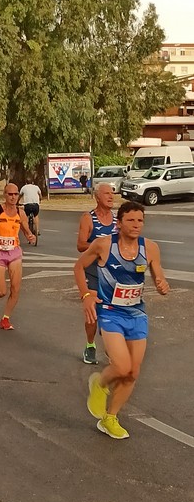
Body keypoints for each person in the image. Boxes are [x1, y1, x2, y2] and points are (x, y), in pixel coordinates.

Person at [74, 200, 169, 440]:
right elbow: (78, 266)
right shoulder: (104, 245)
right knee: (122, 366)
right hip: (110, 312)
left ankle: (110, 418)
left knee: (132, 373)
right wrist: (86, 295)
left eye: (140, 220)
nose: (136, 225)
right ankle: (100, 384)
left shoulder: (150, 248)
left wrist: (161, 283)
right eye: (131, 220)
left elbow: (158, 274)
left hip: (136, 314)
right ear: (120, 223)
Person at [0, 183, 36, 330]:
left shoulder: (20, 213)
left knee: (16, 289)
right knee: (2, 292)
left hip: (14, 252)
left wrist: (30, 236)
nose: (13, 197)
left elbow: (25, 229)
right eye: (10, 194)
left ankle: (5, 318)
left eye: (16, 194)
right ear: (5, 194)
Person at [77, 183, 118, 364]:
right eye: (107, 193)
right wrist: (99, 247)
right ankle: (90, 345)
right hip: (93, 272)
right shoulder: (88, 218)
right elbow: (80, 245)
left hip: (112, 275)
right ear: (97, 197)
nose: (111, 196)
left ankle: (111, 346)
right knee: (92, 312)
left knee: (112, 313)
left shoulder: (118, 221)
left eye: (112, 193)